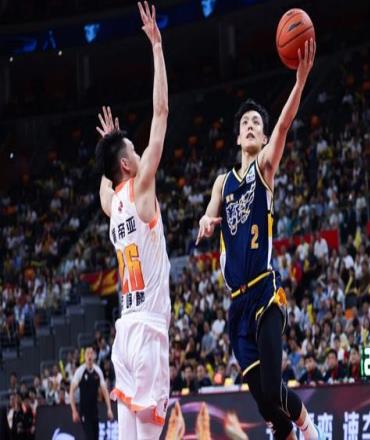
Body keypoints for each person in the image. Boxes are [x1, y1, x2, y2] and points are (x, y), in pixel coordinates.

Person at [196, 37, 323, 439]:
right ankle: (286, 431)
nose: (251, 126)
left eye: (256, 123)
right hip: (237, 304)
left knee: (272, 387)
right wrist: (206, 220)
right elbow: (210, 210)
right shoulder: (223, 182)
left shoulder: (265, 169)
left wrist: (299, 83)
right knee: (266, 404)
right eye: (245, 124)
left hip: (266, 292)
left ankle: (310, 429)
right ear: (237, 138)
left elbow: (284, 124)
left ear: (264, 138)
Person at [94, 2, 171, 438]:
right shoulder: (141, 189)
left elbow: (104, 186)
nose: (141, 154)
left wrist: (111, 142)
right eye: (134, 152)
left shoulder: (112, 204)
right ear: (127, 165)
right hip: (148, 332)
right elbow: (161, 114)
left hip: (124, 332)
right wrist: (157, 46)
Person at [69, 346, 113, 440]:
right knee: (90, 437)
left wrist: (109, 408)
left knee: (95, 438)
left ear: (94, 356)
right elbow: (71, 391)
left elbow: (105, 391)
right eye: (87, 353)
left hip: (95, 411)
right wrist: (74, 411)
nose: (89, 356)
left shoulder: (98, 371)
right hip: (84, 412)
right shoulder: (80, 371)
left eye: (91, 353)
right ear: (84, 356)